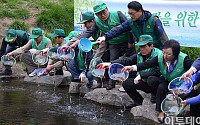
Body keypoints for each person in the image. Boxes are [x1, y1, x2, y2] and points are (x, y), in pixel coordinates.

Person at [121, 40, 193, 123]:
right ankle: (160, 111)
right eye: (164, 52)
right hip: (166, 79)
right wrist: (132, 67)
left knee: (182, 95)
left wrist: (192, 82)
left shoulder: (184, 59)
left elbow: (194, 70)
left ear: (175, 54)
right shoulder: (160, 57)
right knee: (161, 88)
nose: (165, 56)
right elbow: (147, 64)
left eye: (168, 54)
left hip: (180, 83)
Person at [77, 3, 136, 90]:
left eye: (104, 12)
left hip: (127, 41)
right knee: (112, 61)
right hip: (113, 43)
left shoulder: (117, 14)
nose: (103, 15)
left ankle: (131, 83)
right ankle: (111, 83)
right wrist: (79, 40)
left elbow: (129, 27)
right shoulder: (97, 22)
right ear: (96, 15)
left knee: (131, 60)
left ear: (107, 9)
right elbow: (90, 32)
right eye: (99, 14)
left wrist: (131, 41)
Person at [98, 35, 162, 104]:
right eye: (140, 47)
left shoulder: (159, 55)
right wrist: (110, 63)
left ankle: (155, 97)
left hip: (156, 83)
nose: (142, 49)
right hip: (143, 81)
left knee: (152, 79)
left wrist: (141, 75)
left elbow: (158, 71)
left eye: (144, 47)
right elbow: (127, 60)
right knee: (126, 83)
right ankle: (138, 101)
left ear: (151, 46)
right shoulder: (139, 54)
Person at [97, 1, 168, 49]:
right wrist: (104, 37)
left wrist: (163, 54)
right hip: (143, 50)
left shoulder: (153, 20)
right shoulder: (131, 22)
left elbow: (163, 39)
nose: (130, 16)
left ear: (140, 11)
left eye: (132, 13)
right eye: (129, 14)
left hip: (157, 50)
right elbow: (118, 29)